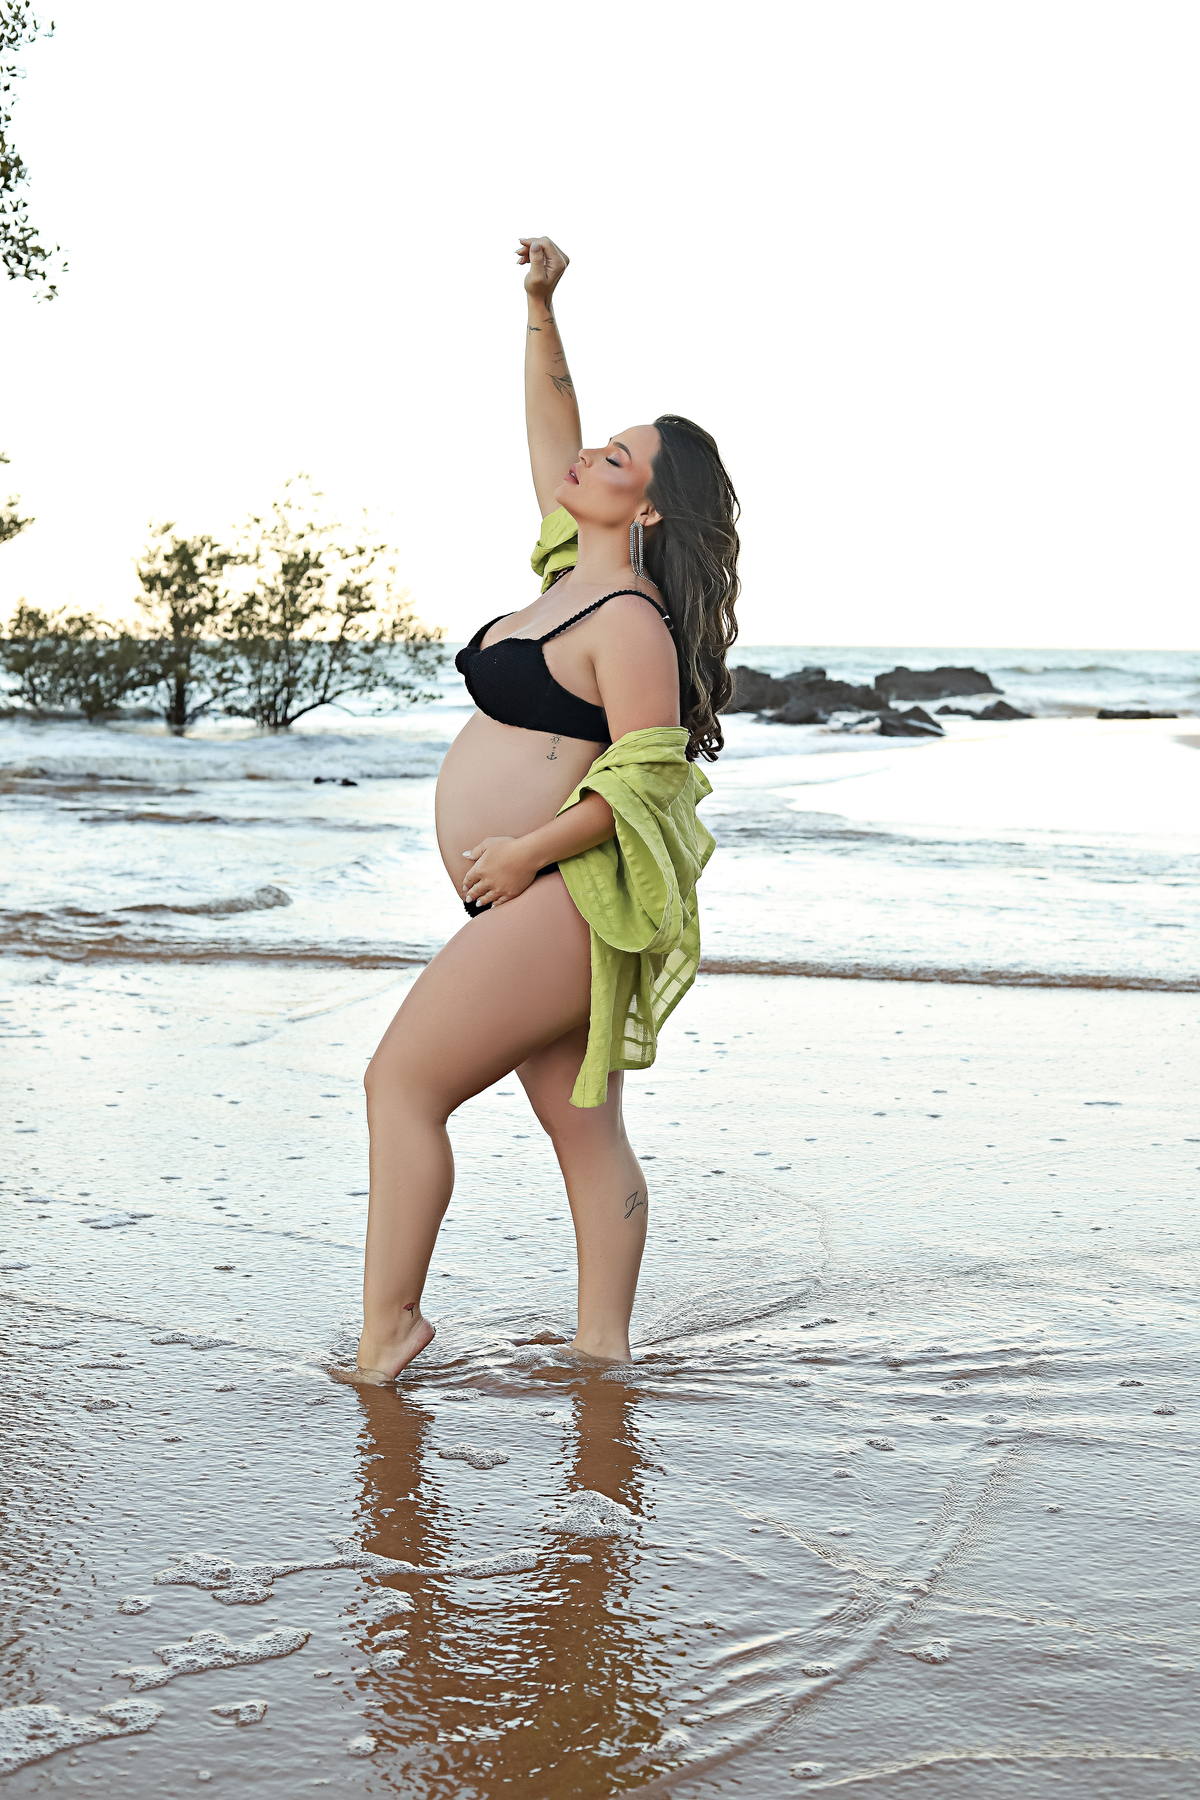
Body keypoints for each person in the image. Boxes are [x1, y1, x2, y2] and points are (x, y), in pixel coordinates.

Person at [350, 235, 740, 1382]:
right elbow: (549, 424)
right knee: (584, 1125)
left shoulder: (629, 621)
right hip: (534, 899)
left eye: (617, 457)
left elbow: (645, 780)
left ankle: (389, 1330)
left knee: (401, 1084)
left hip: (558, 895)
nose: (587, 455)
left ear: (650, 510)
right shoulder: (570, 573)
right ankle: (604, 1351)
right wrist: (540, 304)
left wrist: (525, 852)